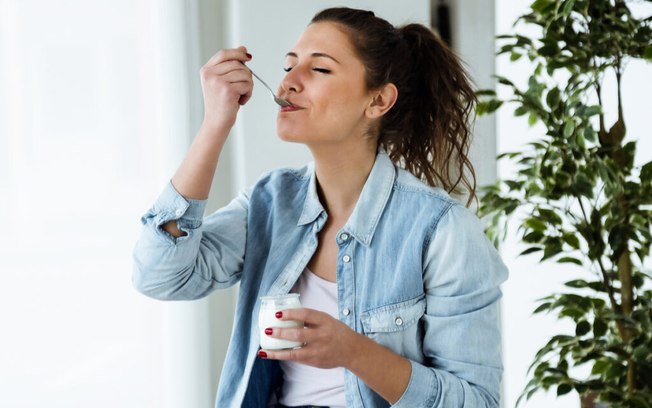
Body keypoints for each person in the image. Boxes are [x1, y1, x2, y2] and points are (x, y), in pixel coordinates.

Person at [133, 7, 508, 408]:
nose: (288, 82)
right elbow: (160, 276)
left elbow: (478, 401)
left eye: (320, 70)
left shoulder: (442, 231)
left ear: (379, 100)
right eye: (289, 65)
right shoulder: (269, 204)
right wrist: (214, 125)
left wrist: (353, 351)